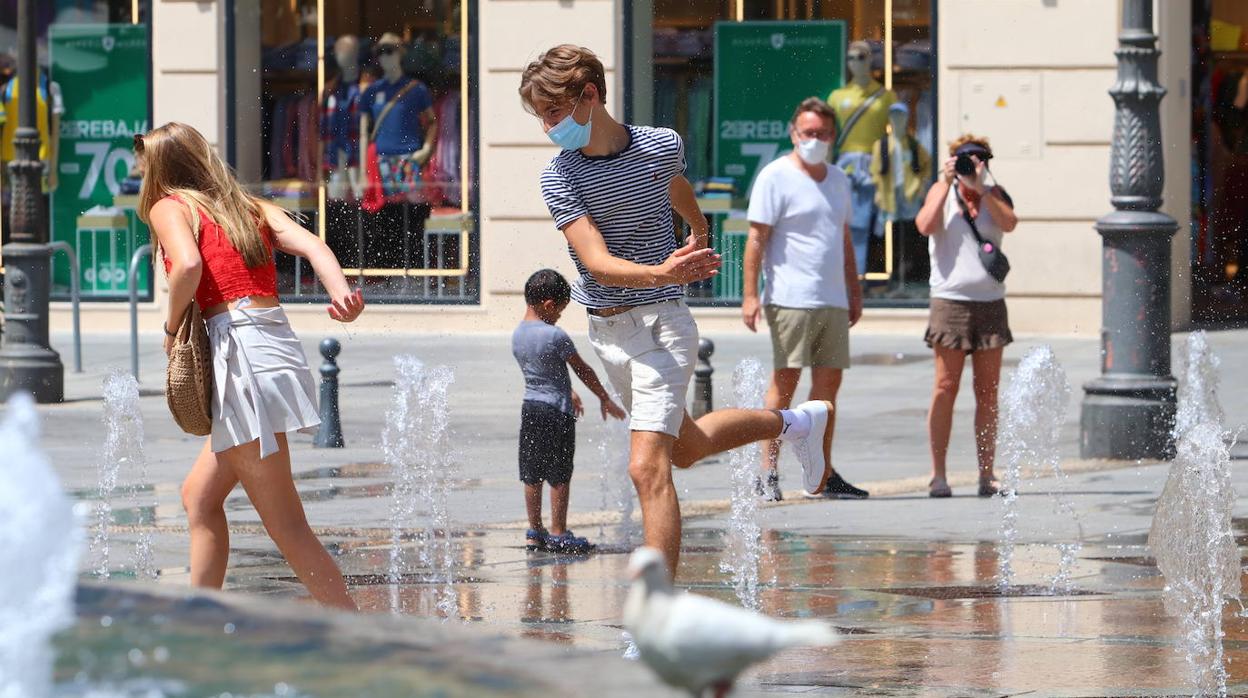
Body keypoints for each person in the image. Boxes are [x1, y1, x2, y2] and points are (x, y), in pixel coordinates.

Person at [520, 45, 838, 579]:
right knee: (687, 447)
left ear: (589, 96)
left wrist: (698, 230)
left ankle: (658, 617)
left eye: (552, 113)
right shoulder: (560, 177)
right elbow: (596, 264)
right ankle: (796, 422)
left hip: (662, 325)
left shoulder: (659, 145)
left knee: (647, 467)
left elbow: (674, 185)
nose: (548, 127)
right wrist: (666, 269)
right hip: (607, 330)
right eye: (541, 117)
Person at [136, 122, 365, 609]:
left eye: (143, 162)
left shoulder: (168, 206)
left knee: (287, 527)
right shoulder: (246, 205)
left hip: (238, 354)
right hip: (270, 346)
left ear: (161, 167)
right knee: (199, 497)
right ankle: (202, 618)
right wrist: (341, 291)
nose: (138, 170)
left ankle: (357, 632)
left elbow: (189, 266)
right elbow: (314, 246)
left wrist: (171, 328)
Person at [742, 97, 868, 502]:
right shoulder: (775, 176)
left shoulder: (838, 179)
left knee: (827, 392)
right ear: (794, 134)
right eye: (808, 132)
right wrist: (749, 295)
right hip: (790, 298)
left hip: (831, 297)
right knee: (785, 385)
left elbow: (844, 239)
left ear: (832, 137)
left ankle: (822, 474)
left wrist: (855, 289)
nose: (816, 139)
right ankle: (767, 471)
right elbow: (756, 239)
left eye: (823, 133)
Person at [914, 134, 1018, 498]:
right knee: (945, 388)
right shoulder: (940, 194)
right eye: (963, 159)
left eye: (978, 158)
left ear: (987, 162)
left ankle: (986, 474)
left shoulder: (995, 194)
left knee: (987, 392)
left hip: (990, 303)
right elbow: (924, 226)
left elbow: (1010, 224)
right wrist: (945, 184)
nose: (970, 164)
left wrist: (984, 188)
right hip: (950, 303)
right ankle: (938, 475)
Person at [513, 268, 626, 554]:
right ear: (549, 305)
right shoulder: (555, 336)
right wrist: (604, 398)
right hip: (557, 414)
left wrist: (569, 390)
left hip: (531, 409)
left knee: (531, 472)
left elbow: (542, 372)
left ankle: (534, 531)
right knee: (559, 474)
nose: (559, 317)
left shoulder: (518, 335)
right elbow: (583, 370)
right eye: (560, 311)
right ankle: (559, 532)